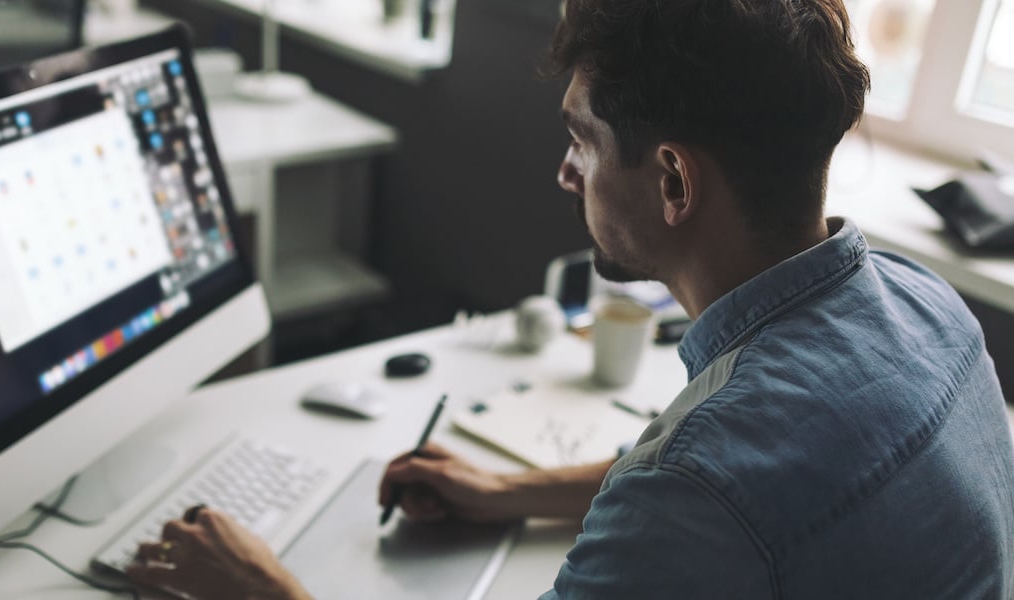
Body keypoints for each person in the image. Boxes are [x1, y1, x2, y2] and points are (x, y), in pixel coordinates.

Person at [126, 0, 1014, 597]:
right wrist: (512, 491)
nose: (565, 170)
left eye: (582, 140)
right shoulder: (925, 304)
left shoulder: (697, 484)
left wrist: (265, 590)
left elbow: (708, 489)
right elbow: (749, 490)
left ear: (672, 180)